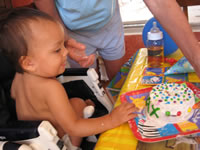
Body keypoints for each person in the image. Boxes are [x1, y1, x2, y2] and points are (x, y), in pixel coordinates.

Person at [0, 8, 138, 149]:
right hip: (60, 142)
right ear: (29, 63)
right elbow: (74, 128)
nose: (65, 52)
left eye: (63, 45)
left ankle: (84, 109)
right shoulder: (51, 88)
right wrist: (111, 119)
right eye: (57, 50)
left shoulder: (18, 77)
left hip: (33, 140)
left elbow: (18, 98)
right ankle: (75, 144)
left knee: (75, 103)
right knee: (78, 104)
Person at [34, 0, 200, 80]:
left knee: (118, 79)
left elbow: (160, 3)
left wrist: (196, 57)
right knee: (89, 82)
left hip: (109, 24)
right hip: (71, 32)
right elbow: (47, 8)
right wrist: (63, 38)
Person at [34, 0, 126, 80]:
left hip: (110, 24)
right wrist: (65, 38)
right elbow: (44, 4)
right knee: (91, 81)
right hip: (72, 34)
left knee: (117, 77)